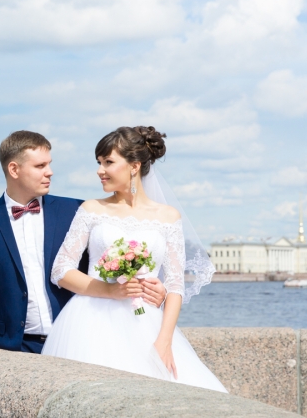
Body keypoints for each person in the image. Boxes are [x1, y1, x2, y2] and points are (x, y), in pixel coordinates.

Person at [0, 130, 168, 354]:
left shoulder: (76, 210)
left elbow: (116, 261)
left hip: (76, 339)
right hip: (12, 347)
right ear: (14, 169)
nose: (50, 172)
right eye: (40, 166)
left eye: (49, 164)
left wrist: (152, 290)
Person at [41, 126, 226, 391]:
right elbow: (60, 269)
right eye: (99, 162)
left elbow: (175, 285)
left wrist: (164, 340)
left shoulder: (168, 217)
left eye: (108, 162)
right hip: (90, 320)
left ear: (134, 166)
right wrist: (110, 290)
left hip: (145, 320)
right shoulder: (91, 209)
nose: (100, 170)